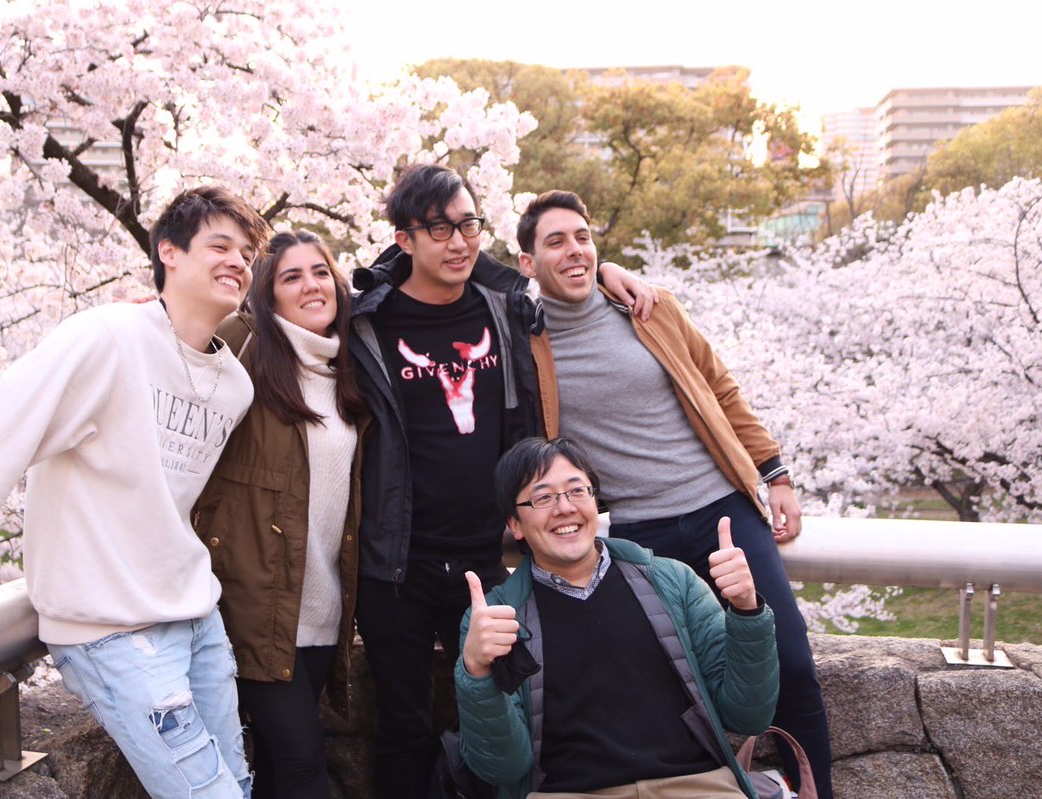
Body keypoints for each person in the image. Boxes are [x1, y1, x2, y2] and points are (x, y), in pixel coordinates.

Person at [0, 186, 269, 798]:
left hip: (198, 616)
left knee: (238, 781)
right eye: (219, 246)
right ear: (169, 251)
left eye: (246, 254)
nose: (237, 261)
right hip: (112, 630)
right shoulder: (105, 338)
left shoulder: (234, 385)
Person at [348, 164, 655, 798]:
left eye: (468, 225)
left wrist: (607, 270)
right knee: (403, 725)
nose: (459, 242)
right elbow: (283, 319)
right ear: (404, 239)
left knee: (509, 715)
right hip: (397, 564)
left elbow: (566, 278)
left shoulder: (506, 307)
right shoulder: (367, 323)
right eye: (439, 230)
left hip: (489, 558)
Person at [517, 189, 833, 798]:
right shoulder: (524, 342)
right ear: (528, 263)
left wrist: (775, 475)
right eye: (555, 242)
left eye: (583, 238)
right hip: (640, 537)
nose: (575, 250)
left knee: (790, 662)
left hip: (723, 512)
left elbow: (720, 387)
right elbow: (458, 268)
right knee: (675, 686)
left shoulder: (649, 309)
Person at [456, 437, 778, 798]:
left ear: (595, 502)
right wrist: (477, 673)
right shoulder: (498, 619)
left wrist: (747, 611)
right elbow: (503, 767)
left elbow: (749, 715)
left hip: (695, 785)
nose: (564, 508)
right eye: (543, 498)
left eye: (577, 491)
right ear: (515, 524)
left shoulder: (672, 581)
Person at [194, 230, 368, 799]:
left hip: (322, 608)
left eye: (321, 272)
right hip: (255, 607)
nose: (311, 286)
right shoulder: (241, 347)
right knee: (302, 763)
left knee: (276, 766)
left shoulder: (349, 363)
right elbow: (174, 352)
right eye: (291, 277)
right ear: (266, 295)